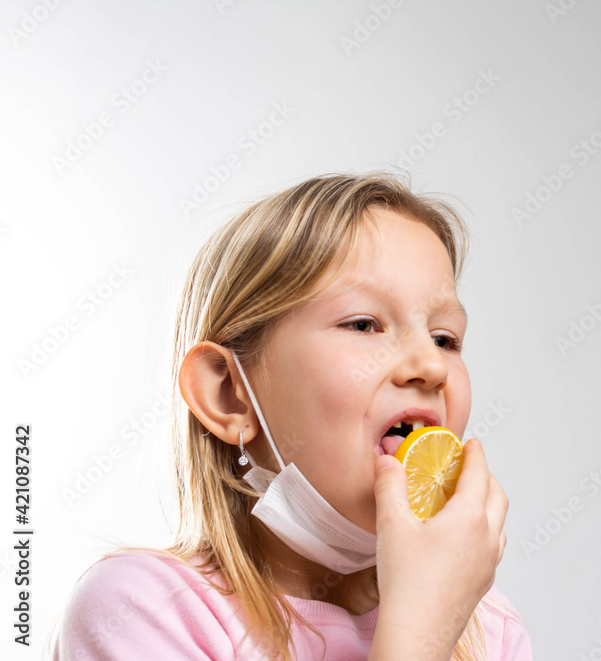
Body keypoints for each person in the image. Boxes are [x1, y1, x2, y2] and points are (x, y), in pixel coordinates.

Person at [47, 172, 533, 660]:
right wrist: (422, 631)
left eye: (444, 338)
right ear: (228, 395)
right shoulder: (142, 608)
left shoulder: (488, 629)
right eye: (364, 324)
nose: (431, 366)